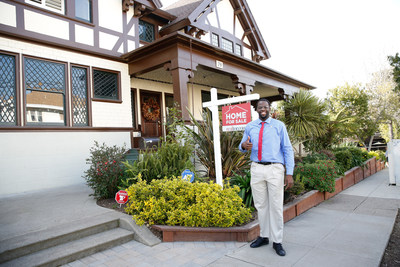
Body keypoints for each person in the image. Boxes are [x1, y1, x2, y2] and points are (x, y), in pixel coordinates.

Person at [239, 98, 294, 256]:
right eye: (260, 107)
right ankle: (263, 236)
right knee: (260, 205)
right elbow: (243, 145)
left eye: (265, 106)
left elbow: (287, 149)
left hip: (274, 169)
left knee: (276, 206)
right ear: (256, 110)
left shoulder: (279, 126)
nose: (263, 109)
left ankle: (277, 241)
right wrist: (243, 146)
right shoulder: (250, 127)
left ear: (269, 109)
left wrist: (289, 173)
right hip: (257, 168)